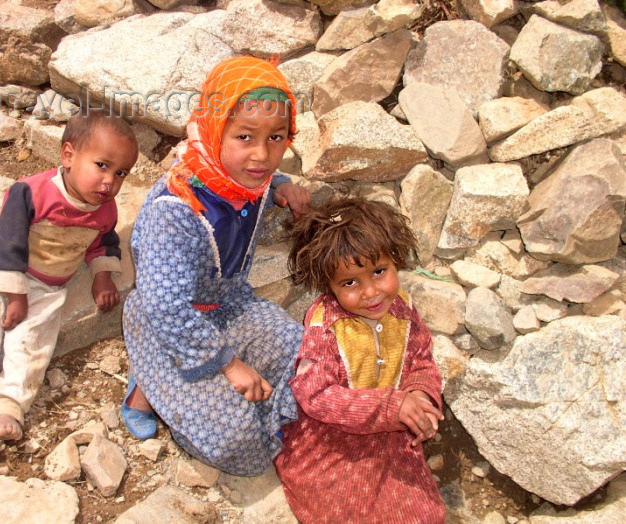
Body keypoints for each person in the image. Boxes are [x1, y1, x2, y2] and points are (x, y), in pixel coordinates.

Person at [121, 56, 310, 476]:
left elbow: (261, 175)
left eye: (277, 137)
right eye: (244, 136)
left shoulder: (251, 176)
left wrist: (282, 187)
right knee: (237, 443)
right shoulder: (174, 209)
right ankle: (147, 387)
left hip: (230, 305)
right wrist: (228, 364)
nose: (262, 155)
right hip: (169, 321)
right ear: (214, 127)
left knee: (311, 358)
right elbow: (167, 307)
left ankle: (193, 391)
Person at [0, 111, 139, 448]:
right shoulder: (30, 192)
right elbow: (7, 240)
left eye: (121, 173)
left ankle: (12, 405)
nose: (109, 181)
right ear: (68, 155)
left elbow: (103, 241)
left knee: (33, 342)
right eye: (102, 165)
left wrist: (102, 277)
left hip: (47, 284)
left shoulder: (104, 209)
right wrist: (14, 293)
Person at [274, 198, 446, 523]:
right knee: (346, 511)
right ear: (329, 285)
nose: (370, 292)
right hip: (329, 443)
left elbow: (422, 361)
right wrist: (391, 407)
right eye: (350, 283)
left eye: (379, 272)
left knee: (423, 514)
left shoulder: (404, 312)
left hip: (390, 438)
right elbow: (316, 396)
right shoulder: (324, 328)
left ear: (396, 261)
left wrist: (420, 395)